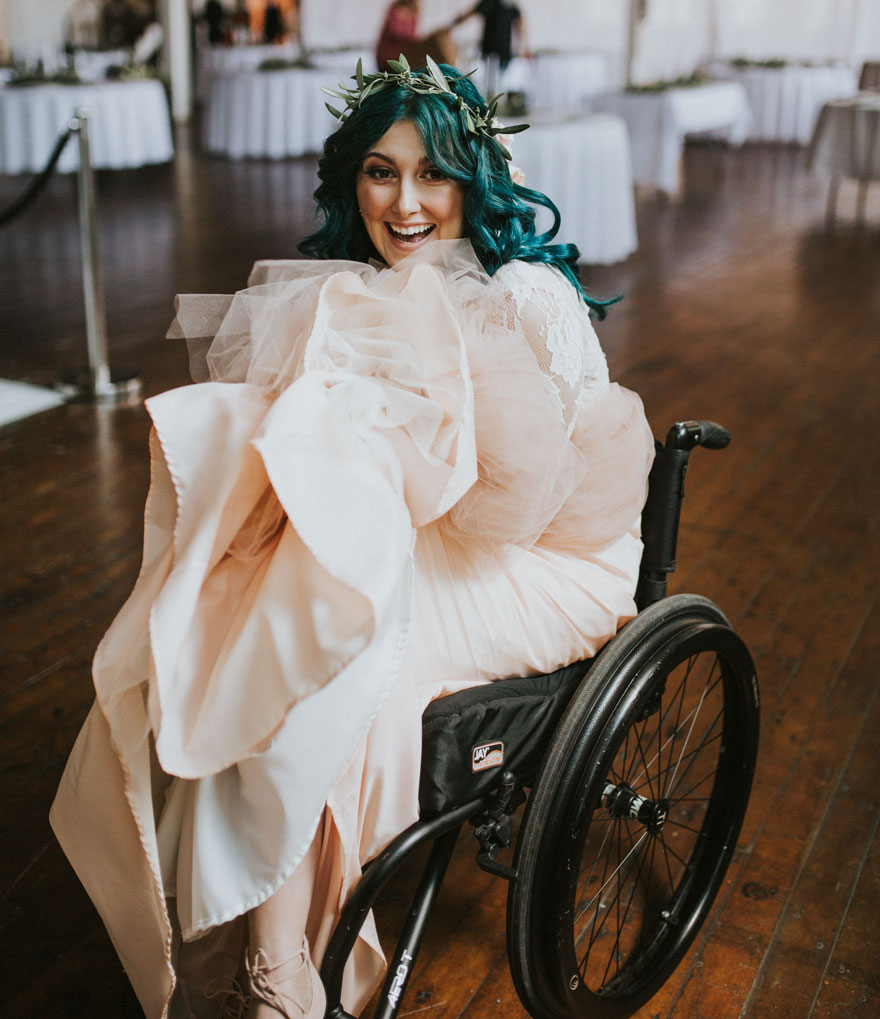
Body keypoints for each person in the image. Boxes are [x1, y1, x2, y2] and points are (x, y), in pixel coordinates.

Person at [50, 59, 655, 1018]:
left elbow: (555, 488)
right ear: (353, 182)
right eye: (381, 172)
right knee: (262, 615)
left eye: (432, 173)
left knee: (340, 638)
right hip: (412, 535)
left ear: (472, 182)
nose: (405, 202)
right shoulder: (349, 291)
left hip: (544, 555)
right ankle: (271, 960)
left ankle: (280, 970)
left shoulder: (523, 290)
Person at [450, 0, 526, 71]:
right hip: (505, 52)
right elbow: (520, 20)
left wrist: (450, 26)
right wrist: (523, 45)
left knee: (490, 80)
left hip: (491, 52)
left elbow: (470, 13)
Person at [375, 0, 423, 71]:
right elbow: (395, 32)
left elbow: (413, 33)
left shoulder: (414, 12)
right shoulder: (397, 9)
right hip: (387, 56)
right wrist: (412, 39)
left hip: (402, 57)